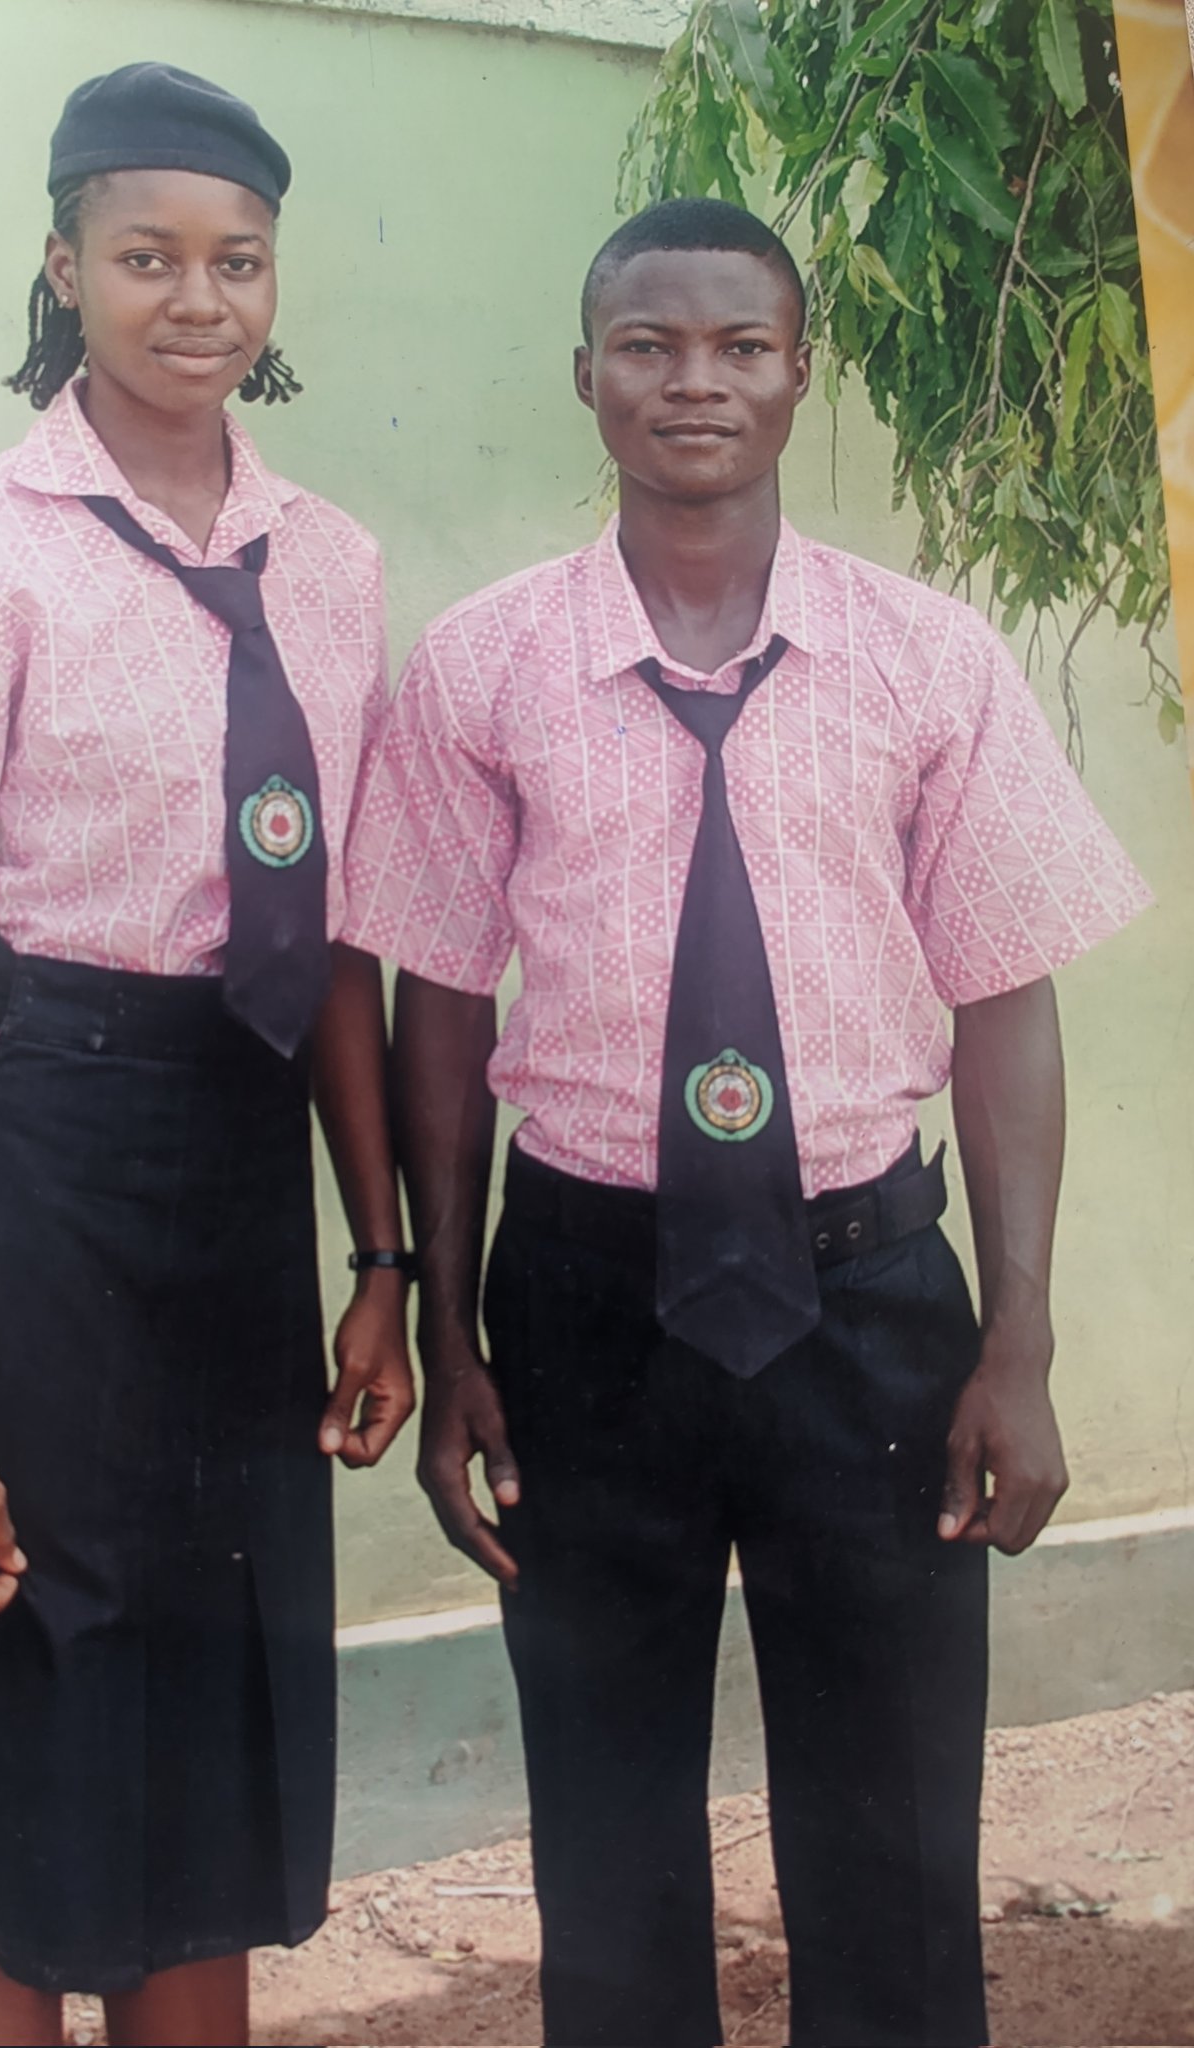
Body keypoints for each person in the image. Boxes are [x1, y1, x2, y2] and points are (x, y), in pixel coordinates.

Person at [341, 197, 1152, 2048]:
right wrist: (455, 1334)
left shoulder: (927, 660)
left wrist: (1017, 1341)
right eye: (649, 346)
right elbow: (440, 1007)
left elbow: (1004, 997)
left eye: (740, 347)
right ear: (586, 377)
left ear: (798, 376)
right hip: (581, 1307)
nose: (693, 381)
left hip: (867, 1305)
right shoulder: (482, 667)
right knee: (605, 1847)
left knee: (894, 1847)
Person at [0, 62, 414, 2048]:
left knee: (206, 1762)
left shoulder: (333, 567)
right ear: (64, 267)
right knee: (17, 1764)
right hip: (38, 1175)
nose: (198, 299)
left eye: (239, 259)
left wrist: (381, 1256)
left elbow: (334, 944)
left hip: (241, 1191)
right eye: (147, 256)